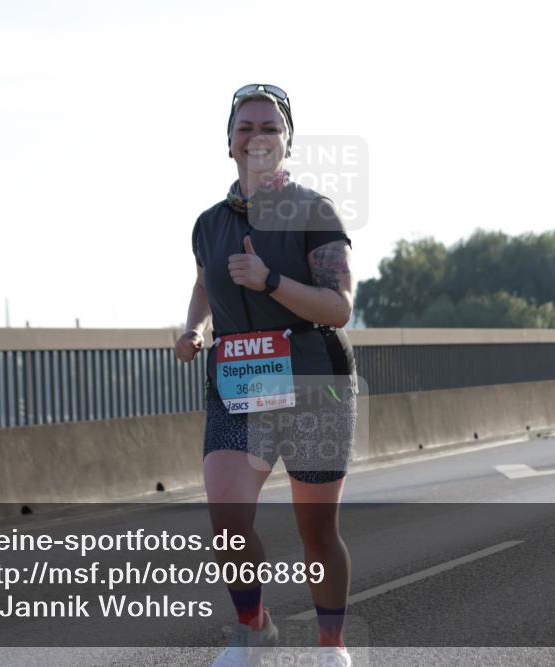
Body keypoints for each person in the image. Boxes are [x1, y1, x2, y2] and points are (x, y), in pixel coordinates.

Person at [175, 84, 358, 667]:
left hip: (315, 383)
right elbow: (206, 284)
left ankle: (332, 647)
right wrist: (195, 330)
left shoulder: (314, 211)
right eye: (246, 127)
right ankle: (255, 628)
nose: (258, 137)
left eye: (270, 127)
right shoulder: (208, 224)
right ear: (229, 143)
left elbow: (339, 307)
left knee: (316, 532)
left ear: (288, 143)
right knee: (227, 521)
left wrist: (270, 282)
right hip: (240, 385)